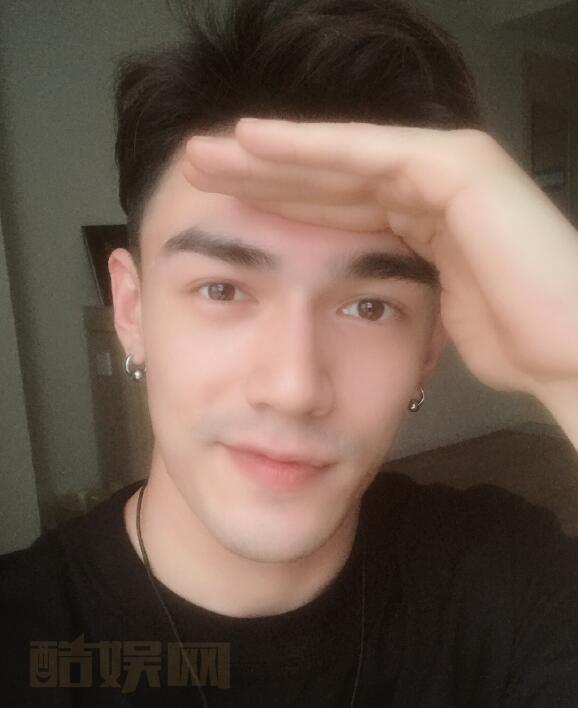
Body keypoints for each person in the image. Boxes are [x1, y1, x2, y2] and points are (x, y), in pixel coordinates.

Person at [2, 0, 578, 705]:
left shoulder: (507, 579)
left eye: (369, 306)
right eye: (221, 289)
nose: (294, 386)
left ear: (429, 347)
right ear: (132, 309)